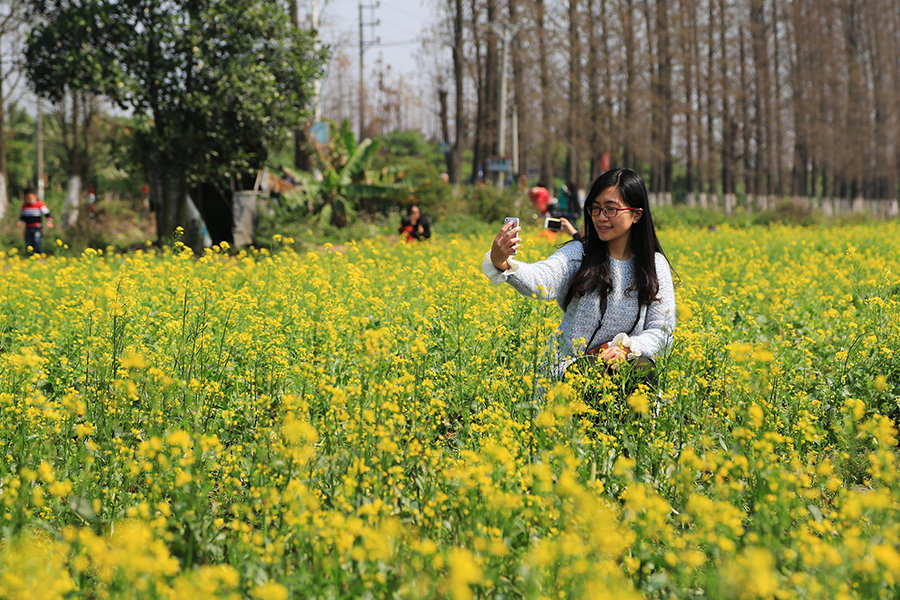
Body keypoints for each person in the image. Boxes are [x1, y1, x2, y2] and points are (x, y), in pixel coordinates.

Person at [482, 168, 676, 379]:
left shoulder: (654, 265)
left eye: (611, 210)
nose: (601, 217)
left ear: (636, 214)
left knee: (641, 368)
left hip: (626, 370)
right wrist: (502, 263)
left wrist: (627, 348)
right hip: (570, 370)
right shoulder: (579, 254)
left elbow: (662, 331)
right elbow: (542, 279)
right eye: (595, 208)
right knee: (599, 372)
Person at [18, 187, 53, 256]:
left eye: (30, 197)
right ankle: (30, 257)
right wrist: (20, 222)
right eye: (27, 198)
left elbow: (48, 215)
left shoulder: (40, 205)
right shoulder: (24, 206)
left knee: (37, 240)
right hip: (28, 228)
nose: (29, 199)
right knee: (28, 243)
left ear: (35, 196)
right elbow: (22, 217)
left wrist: (49, 222)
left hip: (37, 227)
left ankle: (40, 256)